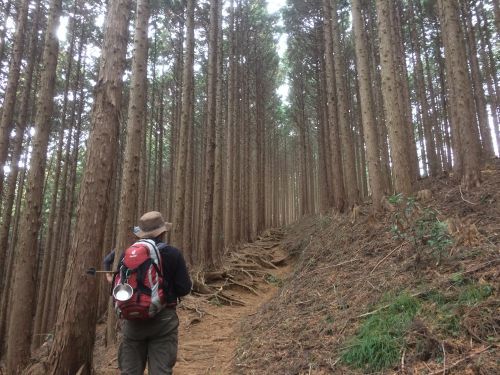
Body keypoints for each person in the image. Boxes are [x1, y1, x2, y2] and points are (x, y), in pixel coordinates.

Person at [106, 211, 192, 375]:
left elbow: (120, 288)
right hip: (164, 321)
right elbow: (184, 288)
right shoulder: (173, 254)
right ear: (163, 232)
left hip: (132, 322)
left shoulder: (128, 254)